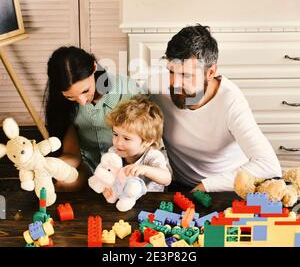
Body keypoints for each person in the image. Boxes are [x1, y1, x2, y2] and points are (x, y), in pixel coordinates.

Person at [151, 24, 282, 193]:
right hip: (179, 187)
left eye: (186, 75)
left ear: (210, 72)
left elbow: (269, 165)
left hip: (226, 189)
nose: (175, 84)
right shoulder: (157, 89)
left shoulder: (231, 100)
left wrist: (206, 186)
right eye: (171, 72)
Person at [44, 46, 141, 191]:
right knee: (63, 185)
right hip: (89, 165)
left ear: (94, 67)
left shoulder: (129, 93)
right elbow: (72, 155)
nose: (82, 102)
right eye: (70, 97)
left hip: (128, 166)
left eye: (85, 91)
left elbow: (146, 146)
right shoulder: (62, 104)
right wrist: (43, 165)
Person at [105, 94, 172, 193]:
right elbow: (108, 176)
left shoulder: (152, 156)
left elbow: (167, 179)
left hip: (150, 201)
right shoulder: (113, 152)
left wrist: (145, 169)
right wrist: (107, 187)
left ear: (148, 141)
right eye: (115, 134)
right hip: (123, 198)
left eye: (126, 138)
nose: (118, 143)